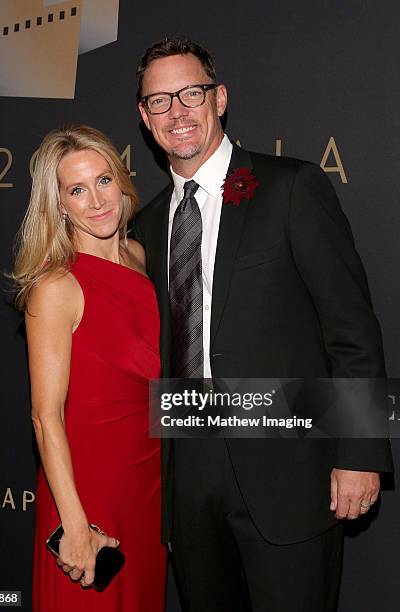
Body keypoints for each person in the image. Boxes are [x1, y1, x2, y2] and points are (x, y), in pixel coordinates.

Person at [133, 37, 393, 611]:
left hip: (292, 469)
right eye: (159, 101)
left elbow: (353, 332)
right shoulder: (146, 225)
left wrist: (361, 452)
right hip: (190, 482)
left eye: (191, 92)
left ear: (219, 98)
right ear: (145, 118)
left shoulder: (291, 187)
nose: (177, 111)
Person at [11, 124, 166, 612]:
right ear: (58, 205)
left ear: (121, 181)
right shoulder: (56, 287)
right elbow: (45, 416)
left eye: (103, 180)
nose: (97, 200)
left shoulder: (141, 258)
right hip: (89, 488)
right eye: (77, 190)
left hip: (149, 482)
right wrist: (74, 525)